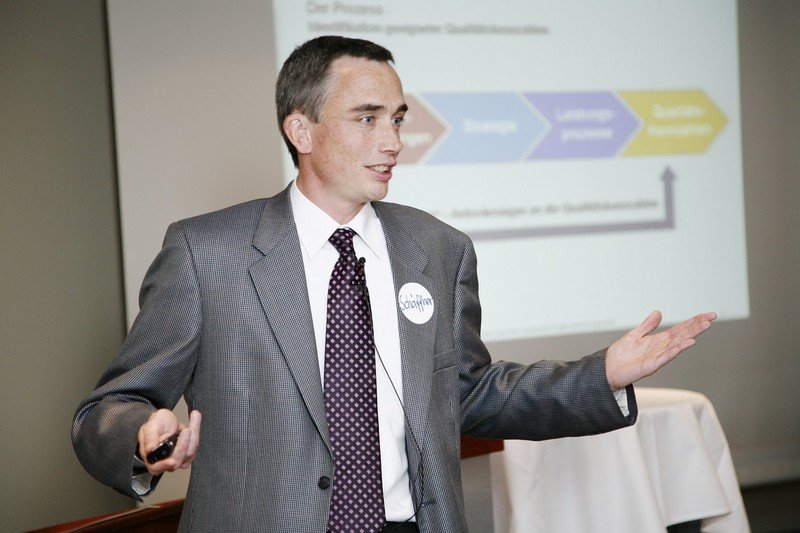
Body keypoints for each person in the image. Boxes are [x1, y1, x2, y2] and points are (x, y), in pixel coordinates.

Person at [72, 35, 716, 533]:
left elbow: (468, 394)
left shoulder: (437, 249)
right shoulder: (205, 253)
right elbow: (106, 410)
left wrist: (602, 375)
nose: (393, 143)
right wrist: (142, 433)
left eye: (399, 119)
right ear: (301, 130)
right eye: (367, 118)